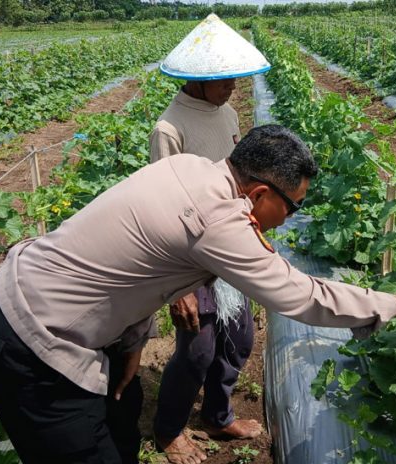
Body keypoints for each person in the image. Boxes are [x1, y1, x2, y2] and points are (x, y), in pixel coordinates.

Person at [0, 124, 396, 464]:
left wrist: (131, 345)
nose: (292, 218)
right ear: (261, 194)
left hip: (50, 305)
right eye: (294, 207)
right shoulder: (217, 220)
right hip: (27, 340)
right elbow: (302, 296)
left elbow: (136, 265)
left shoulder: (192, 169)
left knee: (122, 411)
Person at [147, 14, 272, 463]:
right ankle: (169, 430)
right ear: (195, 81)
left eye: (234, 76)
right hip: (189, 252)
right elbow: (163, 206)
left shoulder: (228, 113)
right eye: (222, 79)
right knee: (197, 349)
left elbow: (237, 179)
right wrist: (178, 289)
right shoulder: (170, 128)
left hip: (229, 242)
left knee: (238, 340)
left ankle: (216, 416)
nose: (233, 85)